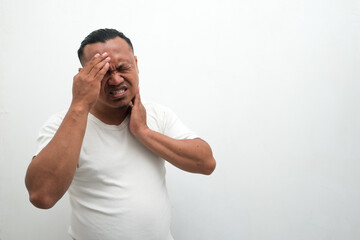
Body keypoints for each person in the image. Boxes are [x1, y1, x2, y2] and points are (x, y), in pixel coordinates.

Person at [25, 28, 216, 240]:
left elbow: (206, 163)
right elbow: (41, 196)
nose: (116, 80)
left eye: (123, 68)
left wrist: (143, 132)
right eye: (103, 72)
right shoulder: (63, 124)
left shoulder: (157, 115)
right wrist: (79, 105)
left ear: (136, 64)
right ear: (85, 76)